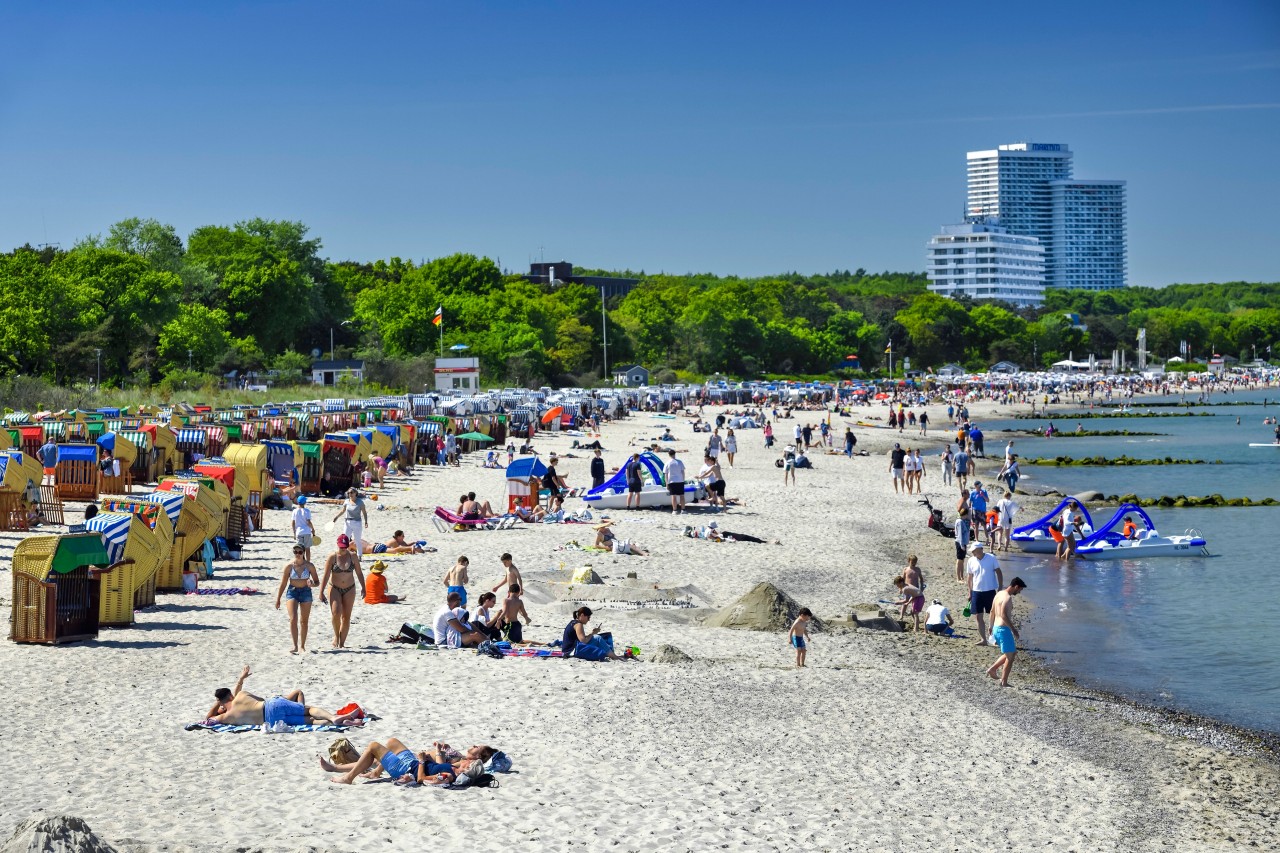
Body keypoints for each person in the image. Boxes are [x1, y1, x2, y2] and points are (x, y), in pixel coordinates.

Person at [207, 665, 361, 727]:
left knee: (309, 721)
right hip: (271, 706)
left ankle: (339, 723)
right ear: (230, 695)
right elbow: (260, 700)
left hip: (272, 722)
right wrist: (241, 679)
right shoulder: (240, 695)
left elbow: (208, 719)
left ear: (221, 703)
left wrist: (217, 705)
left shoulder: (227, 718)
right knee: (309, 709)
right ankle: (334, 718)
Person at [321, 738, 495, 786]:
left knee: (374, 746)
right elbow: (439, 763)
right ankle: (376, 772)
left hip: (406, 768)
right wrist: (436, 754)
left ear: (468, 768)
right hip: (412, 762)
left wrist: (421, 762)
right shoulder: (454, 769)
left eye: (469, 765)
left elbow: (421, 779)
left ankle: (349, 777)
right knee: (392, 742)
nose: (466, 763)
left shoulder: (447, 776)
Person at [317, 534, 366, 649]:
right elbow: (326, 575)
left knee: (346, 617)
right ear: (337, 545)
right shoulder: (332, 557)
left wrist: (364, 587)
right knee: (335, 613)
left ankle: (342, 642)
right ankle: (336, 637)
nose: (343, 549)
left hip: (350, 588)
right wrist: (321, 591)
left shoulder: (353, 556)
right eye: (341, 546)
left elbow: (359, 572)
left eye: (345, 546)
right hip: (334, 587)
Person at [275, 545, 319, 654]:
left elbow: (317, 582)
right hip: (292, 592)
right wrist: (278, 598)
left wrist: (312, 584)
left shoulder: (309, 566)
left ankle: (302, 645)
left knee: (304, 621)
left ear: (304, 552)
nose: (298, 554)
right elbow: (284, 583)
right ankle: (295, 645)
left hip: (306, 592)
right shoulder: (289, 566)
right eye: (295, 552)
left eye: (300, 552)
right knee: (293, 618)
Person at [985, 577, 1027, 687]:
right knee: (1010, 657)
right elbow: (1003, 615)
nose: (1019, 592)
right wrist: (1014, 630)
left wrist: (990, 626)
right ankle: (1004, 681)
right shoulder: (1007, 598)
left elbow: (992, 610)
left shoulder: (999, 594)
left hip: (996, 628)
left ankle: (992, 669)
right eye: (1020, 590)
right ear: (1016, 586)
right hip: (1003, 630)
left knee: (1012, 652)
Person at [965, 542, 1004, 646]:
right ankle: (983, 639)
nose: (972, 552)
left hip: (990, 591)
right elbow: (969, 577)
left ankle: (995, 638)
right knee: (978, 616)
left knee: (994, 616)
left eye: (974, 550)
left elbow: (999, 572)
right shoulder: (970, 560)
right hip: (976, 592)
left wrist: (1000, 588)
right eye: (972, 551)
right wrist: (970, 592)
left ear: (980, 549)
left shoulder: (991, 558)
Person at [561, 606, 630, 661]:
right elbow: (583, 641)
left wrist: (592, 633)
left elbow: (581, 638)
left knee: (596, 638)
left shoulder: (573, 622)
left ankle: (612, 654)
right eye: (588, 617)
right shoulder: (579, 624)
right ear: (582, 615)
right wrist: (592, 633)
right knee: (598, 638)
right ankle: (614, 657)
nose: (589, 620)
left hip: (569, 649)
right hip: (571, 650)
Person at [332, 488, 369, 555]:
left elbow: (364, 512)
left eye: (351, 492)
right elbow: (343, 511)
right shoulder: (346, 501)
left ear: (355, 493)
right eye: (348, 493)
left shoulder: (360, 502)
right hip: (347, 522)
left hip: (357, 522)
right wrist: (336, 517)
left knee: (357, 540)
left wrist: (366, 522)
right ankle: (343, 553)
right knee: (345, 539)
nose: (350, 494)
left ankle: (359, 555)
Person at [291, 496, 315, 563]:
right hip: (307, 531)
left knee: (299, 549)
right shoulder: (307, 511)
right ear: (304, 502)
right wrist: (313, 529)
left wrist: (294, 532)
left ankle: (300, 562)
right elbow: (308, 522)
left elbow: (293, 523)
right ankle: (308, 562)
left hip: (299, 532)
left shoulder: (295, 511)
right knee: (307, 548)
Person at [954, 489, 971, 582]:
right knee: (959, 559)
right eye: (967, 494)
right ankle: (958, 578)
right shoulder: (960, 521)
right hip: (960, 541)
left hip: (963, 541)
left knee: (962, 559)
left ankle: (961, 576)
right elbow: (958, 509)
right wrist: (961, 545)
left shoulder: (965, 501)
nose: (969, 495)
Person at [663, 449, 686, 515]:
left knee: (673, 496)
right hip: (680, 480)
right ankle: (683, 509)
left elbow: (666, 474)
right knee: (682, 495)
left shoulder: (668, 463)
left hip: (672, 481)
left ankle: (675, 510)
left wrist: (666, 483)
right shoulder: (679, 462)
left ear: (669, 454)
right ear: (674, 454)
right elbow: (683, 472)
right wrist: (683, 480)